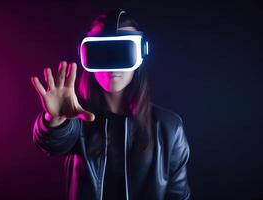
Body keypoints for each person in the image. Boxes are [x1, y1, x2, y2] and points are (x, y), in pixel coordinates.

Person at [31, 9, 191, 200]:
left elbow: (178, 196)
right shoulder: (78, 119)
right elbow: (51, 143)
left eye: (123, 51)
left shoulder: (169, 127)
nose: (113, 66)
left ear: (140, 55)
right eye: (103, 52)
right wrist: (54, 119)